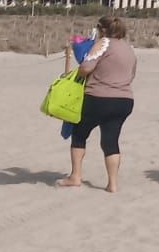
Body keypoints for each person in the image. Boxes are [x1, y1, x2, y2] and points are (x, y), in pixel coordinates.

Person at [57, 15, 137, 191]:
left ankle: (76, 176)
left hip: (99, 97)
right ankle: (113, 184)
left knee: (79, 134)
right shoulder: (128, 48)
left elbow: (86, 67)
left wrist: (79, 73)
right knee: (111, 140)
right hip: (124, 100)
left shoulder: (103, 43)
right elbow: (131, 75)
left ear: (102, 30)